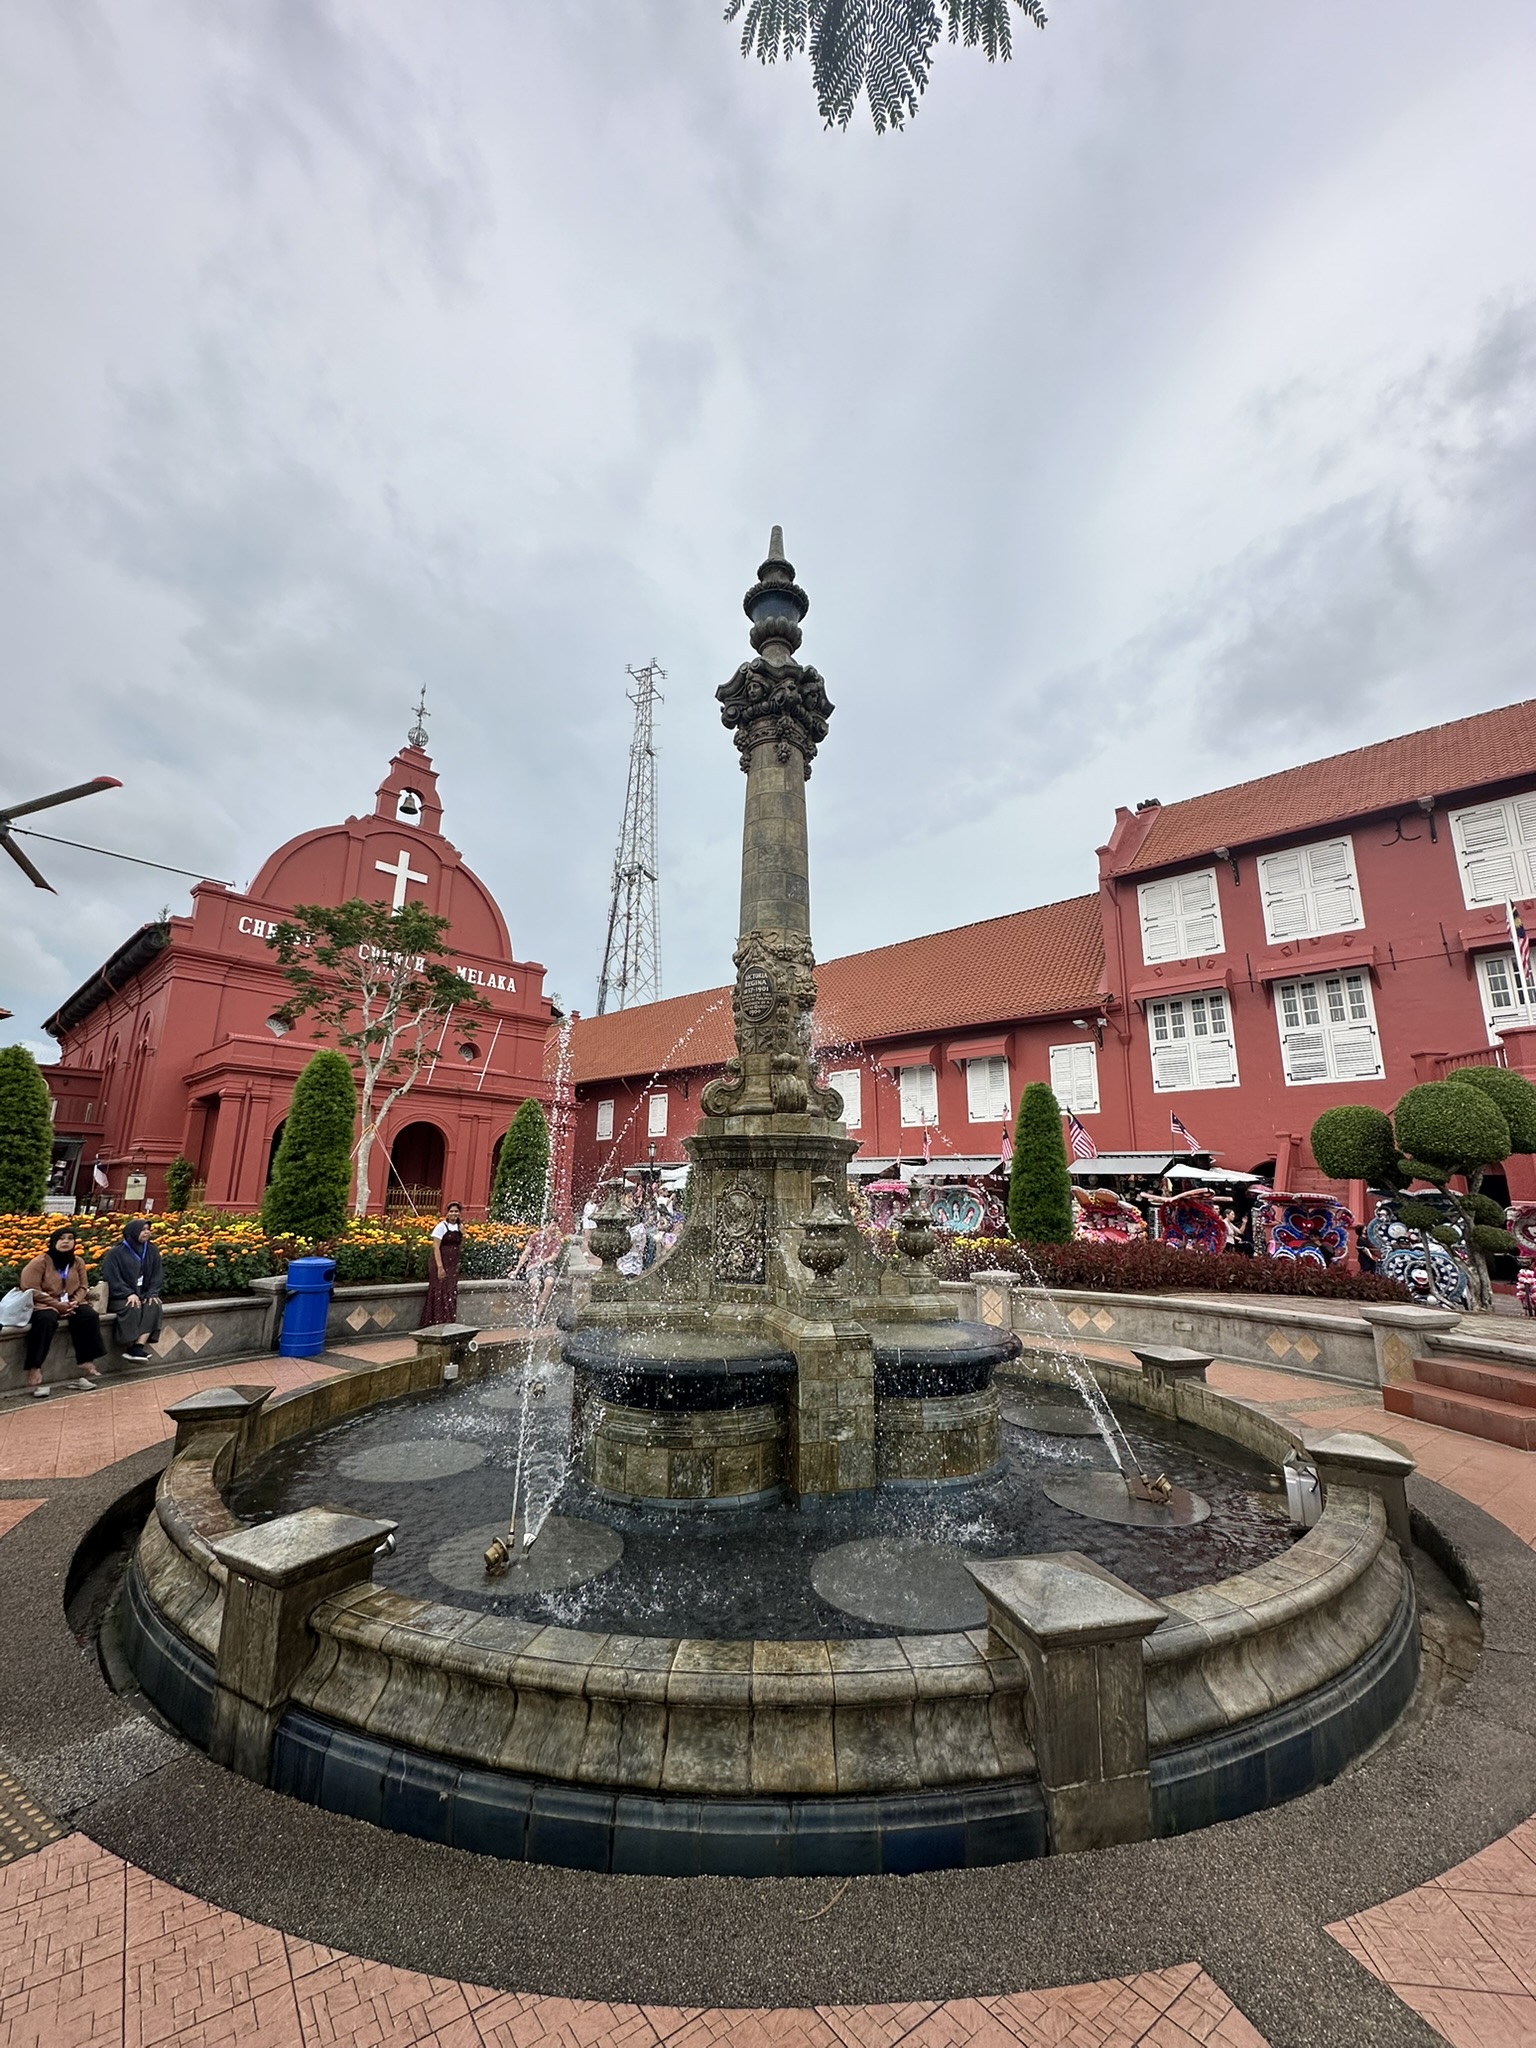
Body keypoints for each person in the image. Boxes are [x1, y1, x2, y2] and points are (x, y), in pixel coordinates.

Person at [18, 1228, 105, 1396]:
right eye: (61, 1238)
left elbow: (83, 1286)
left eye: (70, 1238)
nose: (66, 1241)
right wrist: (57, 1305)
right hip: (44, 1304)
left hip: (70, 1302)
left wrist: (75, 1302)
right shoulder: (40, 1262)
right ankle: (34, 1367)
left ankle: (86, 1360)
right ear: (53, 1242)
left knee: (88, 1316)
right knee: (46, 1321)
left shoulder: (77, 1261)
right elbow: (30, 1289)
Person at [100, 1219, 164, 1363]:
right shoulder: (116, 1253)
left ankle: (138, 1347)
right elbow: (111, 1277)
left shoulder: (152, 1250)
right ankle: (129, 1346)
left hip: (143, 1293)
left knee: (154, 1305)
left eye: (148, 1229)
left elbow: (157, 1274)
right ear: (133, 1232)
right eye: (143, 1229)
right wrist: (128, 1293)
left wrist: (152, 1293)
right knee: (133, 1306)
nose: (147, 1232)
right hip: (120, 1296)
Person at [422, 1202, 463, 1325]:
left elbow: (460, 1245)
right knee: (440, 1289)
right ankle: (435, 1320)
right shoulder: (441, 1226)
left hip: (453, 1263)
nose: (453, 1214)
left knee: (450, 1289)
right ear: (447, 1212)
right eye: (451, 1211)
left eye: (456, 1211)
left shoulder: (459, 1227)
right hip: (441, 1261)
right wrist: (440, 1267)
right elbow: (436, 1247)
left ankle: (448, 1319)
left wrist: (463, 1234)